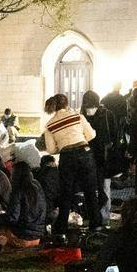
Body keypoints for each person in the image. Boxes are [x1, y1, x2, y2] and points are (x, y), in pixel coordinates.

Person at [41, 93, 100, 236]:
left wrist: (61, 146)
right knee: (90, 190)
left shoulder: (50, 124)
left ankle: (61, 228)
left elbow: (50, 149)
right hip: (84, 153)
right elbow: (91, 135)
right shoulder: (77, 116)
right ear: (67, 104)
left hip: (67, 157)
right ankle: (95, 224)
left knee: (66, 193)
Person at [0, 160, 49, 243]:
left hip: (23, 235)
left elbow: (12, 218)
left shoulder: (18, 190)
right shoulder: (36, 184)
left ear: (16, 175)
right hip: (39, 234)